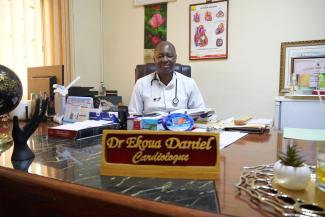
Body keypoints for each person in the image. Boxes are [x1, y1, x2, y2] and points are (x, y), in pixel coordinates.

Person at [129, 41, 205, 115]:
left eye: (169, 56)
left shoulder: (189, 83)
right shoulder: (141, 84)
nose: (165, 60)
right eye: (160, 56)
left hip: (180, 126)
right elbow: (133, 116)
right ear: (154, 60)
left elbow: (200, 112)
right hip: (150, 127)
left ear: (175, 58)